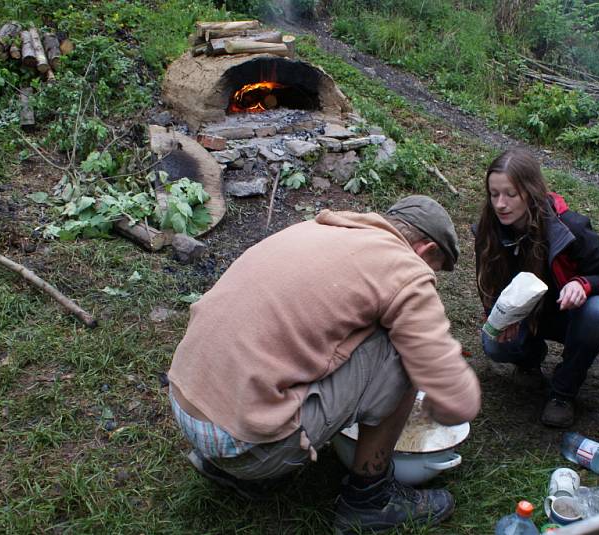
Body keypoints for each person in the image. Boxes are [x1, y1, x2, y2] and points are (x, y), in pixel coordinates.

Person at [168, 195, 481, 534]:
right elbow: (457, 400)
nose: (430, 277)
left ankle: (225, 466)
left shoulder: (320, 229)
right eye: (434, 267)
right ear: (425, 250)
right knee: (405, 348)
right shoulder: (404, 268)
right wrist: (439, 396)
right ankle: (370, 500)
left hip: (189, 401)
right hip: (246, 444)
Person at [474, 148, 599, 428]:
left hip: (568, 315)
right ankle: (529, 361)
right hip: (527, 316)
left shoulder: (570, 228)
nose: (501, 204)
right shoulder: (488, 230)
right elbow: (488, 284)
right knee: (493, 343)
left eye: (510, 194)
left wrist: (583, 284)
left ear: (530, 192)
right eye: (494, 195)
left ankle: (563, 393)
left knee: (595, 311)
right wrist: (499, 315)